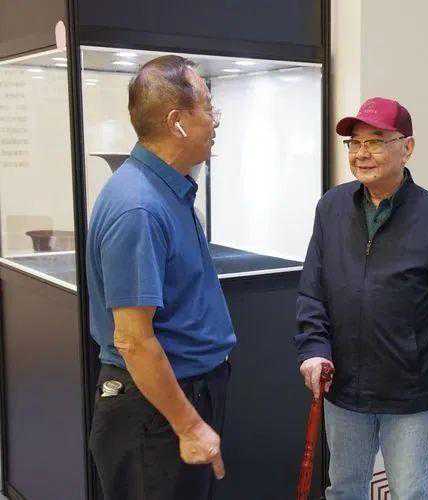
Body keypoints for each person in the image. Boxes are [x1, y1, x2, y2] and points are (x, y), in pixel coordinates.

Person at [294, 97, 428, 499]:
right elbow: (312, 290)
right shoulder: (331, 208)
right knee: (344, 490)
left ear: (407, 148)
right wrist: (314, 349)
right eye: (354, 143)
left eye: (376, 141)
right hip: (343, 388)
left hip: (409, 394)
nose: (362, 153)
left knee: (409, 493)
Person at [86, 55, 235, 500]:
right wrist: (188, 426)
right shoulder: (140, 207)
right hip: (154, 413)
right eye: (207, 106)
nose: (215, 120)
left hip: (178, 398)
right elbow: (133, 339)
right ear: (177, 122)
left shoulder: (167, 191)